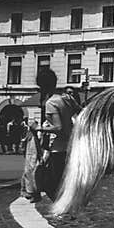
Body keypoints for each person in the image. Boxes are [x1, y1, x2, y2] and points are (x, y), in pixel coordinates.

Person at [31, 70, 79, 200]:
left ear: (42, 86)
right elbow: (80, 113)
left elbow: (58, 127)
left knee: (52, 184)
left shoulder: (51, 103)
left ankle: (61, 210)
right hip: (70, 144)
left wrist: (39, 128)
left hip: (58, 147)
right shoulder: (66, 98)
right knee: (63, 181)